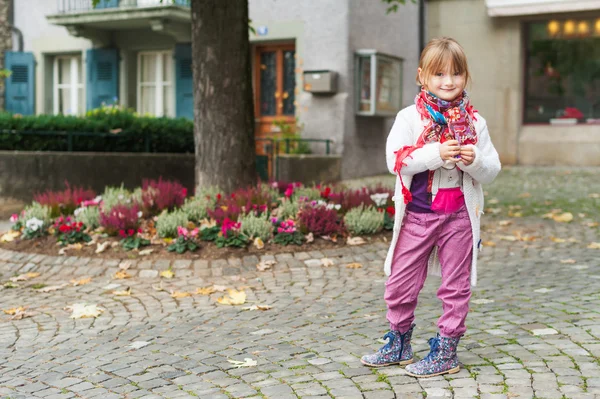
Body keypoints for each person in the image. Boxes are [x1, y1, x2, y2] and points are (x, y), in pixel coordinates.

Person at [360, 37, 501, 378]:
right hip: (418, 215)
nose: (448, 81)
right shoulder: (409, 118)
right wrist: (436, 153)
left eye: (456, 73)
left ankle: (447, 348)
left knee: (455, 284)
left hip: (459, 217)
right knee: (400, 280)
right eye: (439, 74)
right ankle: (399, 340)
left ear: (465, 76)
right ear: (422, 76)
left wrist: (473, 161)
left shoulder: (475, 122)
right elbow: (396, 160)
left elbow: (492, 170)